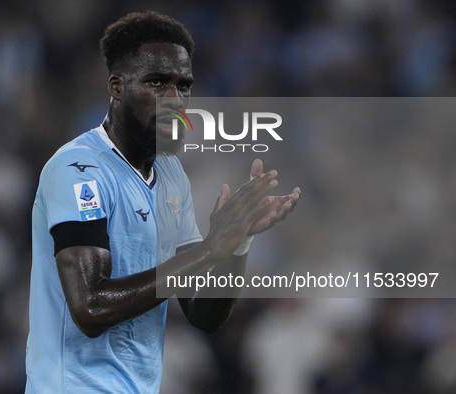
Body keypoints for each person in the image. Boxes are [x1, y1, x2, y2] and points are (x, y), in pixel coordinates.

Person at [25, 11, 300, 393]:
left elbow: (202, 311)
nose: (175, 100)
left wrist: (237, 243)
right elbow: (91, 307)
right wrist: (208, 249)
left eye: (183, 86)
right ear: (117, 87)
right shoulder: (77, 169)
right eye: (157, 83)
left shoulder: (171, 176)